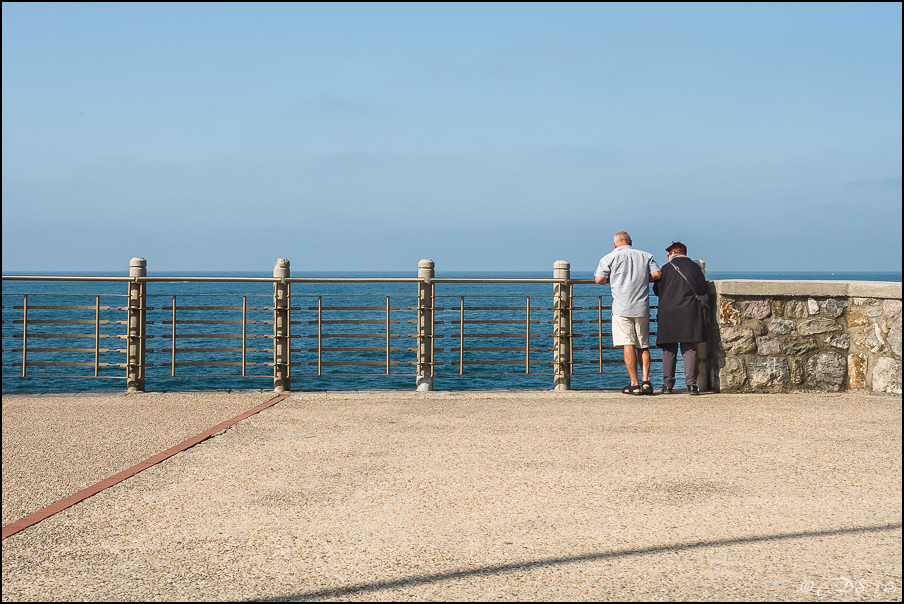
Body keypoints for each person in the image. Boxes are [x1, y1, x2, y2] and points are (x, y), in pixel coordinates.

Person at [595, 232, 662, 394]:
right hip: (642, 306)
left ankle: (635, 384)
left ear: (614, 244)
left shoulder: (608, 258)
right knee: (643, 345)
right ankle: (647, 382)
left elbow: (599, 279)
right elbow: (657, 274)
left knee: (628, 344)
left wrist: (614, 279)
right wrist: (643, 279)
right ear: (631, 242)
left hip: (621, 308)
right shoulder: (645, 256)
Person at [652, 241, 708, 395]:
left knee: (669, 350)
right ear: (685, 253)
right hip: (689, 311)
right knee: (689, 349)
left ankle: (667, 385)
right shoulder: (694, 267)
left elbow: (657, 290)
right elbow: (703, 290)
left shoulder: (665, 268)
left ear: (672, 254)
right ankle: (691, 385)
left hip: (668, 312)